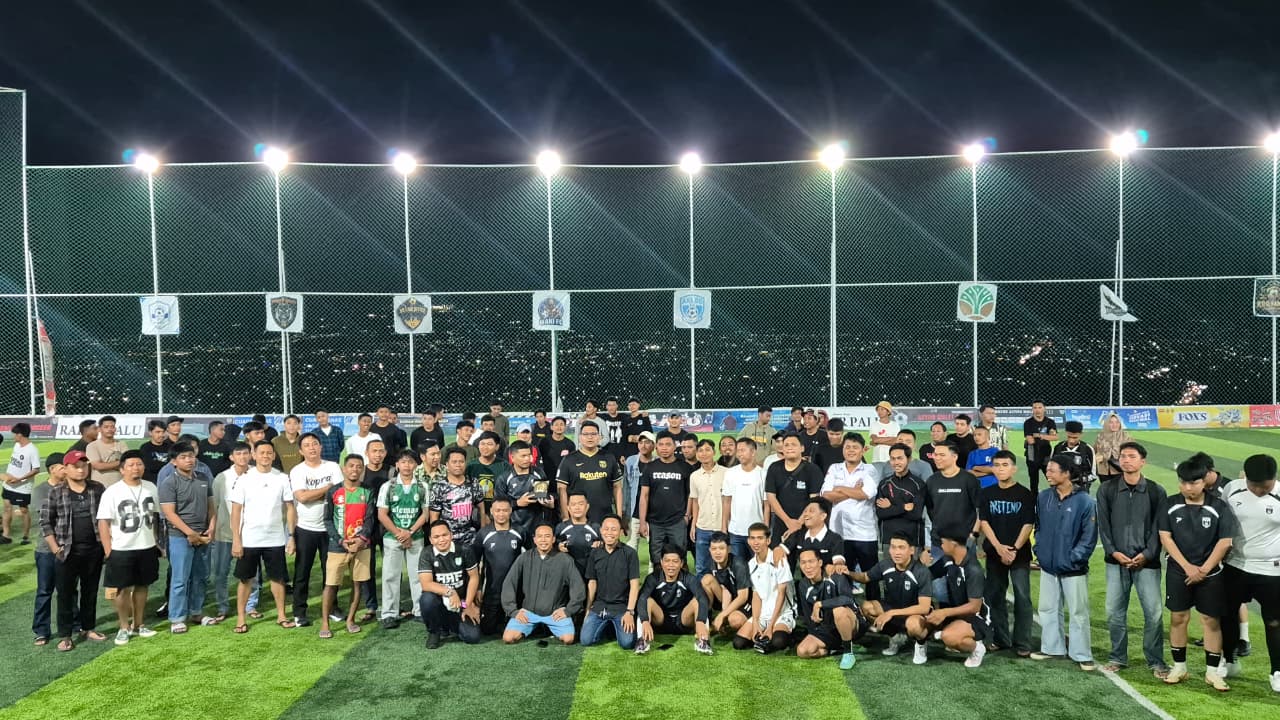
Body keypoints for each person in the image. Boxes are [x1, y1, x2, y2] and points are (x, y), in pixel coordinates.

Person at [1157, 458, 1236, 690]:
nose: (1188, 488)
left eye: (1193, 483)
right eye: (1183, 482)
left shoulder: (1219, 506)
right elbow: (1165, 537)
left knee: (1211, 620)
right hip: (1178, 571)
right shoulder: (1170, 504)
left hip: (1210, 574)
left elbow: (1225, 542)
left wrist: (1203, 570)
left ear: (1204, 482)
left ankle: (1212, 672)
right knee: (1178, 618)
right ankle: (1179, 667)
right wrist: (1188, 567)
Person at [1097, 441, 1168, 676]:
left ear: (1142, 461)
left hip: (1147, 563)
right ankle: (1118, 657)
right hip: (1115, 562)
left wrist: (1146, 554)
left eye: (1131, 456)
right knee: (1114, 613)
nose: (1126, 460)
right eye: (1123, 456)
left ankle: (1155, 660)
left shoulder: (1156, 491)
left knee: (1154, 613)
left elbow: (1160, 528)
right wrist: (1114, 552)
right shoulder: (1107, 489)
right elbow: (1104, 526)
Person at [1217, 454, 1280, 690]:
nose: (1259, 490)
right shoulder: (1232, 489)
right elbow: (1221, 523)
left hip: (1272, 570)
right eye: (1254, 486)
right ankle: (1229, 660)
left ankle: (1277, 671)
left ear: (1274, 478)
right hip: (1236, 566)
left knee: (1274, 621)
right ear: (1246, 478)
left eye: (1265, 486)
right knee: (1228, 615)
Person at [1031, 455, 1097, 671]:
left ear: (1067, 473)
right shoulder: (1043, 497)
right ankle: (1052, 648)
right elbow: (1038, 527)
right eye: (1047, 470)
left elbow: (1089, 536)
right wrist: (1039, 550)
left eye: (1052, 470)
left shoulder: (1085, 501)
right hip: (1048, 564)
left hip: (1073, 567)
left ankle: (1081, 654)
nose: (1047, 473)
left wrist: (1075, 558)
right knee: (1048, 608)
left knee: (1078, 612)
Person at [41, 450, 107, 650]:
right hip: (67, 551)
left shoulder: (97, 488)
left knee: (90, 591)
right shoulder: (56, 492)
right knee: (65, 594)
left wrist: (105, 546)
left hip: (94, 549)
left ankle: (88, 628)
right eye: (76, 467)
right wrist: (55, 548)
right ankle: (65, 635)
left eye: (84, 466)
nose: (80, 470)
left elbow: (107, 517)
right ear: (66, 468)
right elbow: (46, 522)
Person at [230, 442, 297, 633]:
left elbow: (290, 508)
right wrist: (237, 539)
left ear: (274, 456)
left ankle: (281, 616)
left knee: (278, 578)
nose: (265, 456)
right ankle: (241, 618)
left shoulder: (282, 478)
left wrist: (291, 536)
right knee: (246, 579)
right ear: (254, 455)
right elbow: (236, 511)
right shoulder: (244, 479)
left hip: (275, 538)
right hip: (249, 539)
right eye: (262, 453)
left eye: (269, 453)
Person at [97, 450, 162, 645]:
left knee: (142, 586)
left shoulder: (151, 487)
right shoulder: (112, 491)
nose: (136, 468)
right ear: (122, 469)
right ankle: (124, 626)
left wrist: (156, 541)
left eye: (139, 464)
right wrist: (108, 550)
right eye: (131, 465)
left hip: (146, 546)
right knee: (122, 589)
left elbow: (155, 516)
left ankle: (139, 624)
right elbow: (103, 522)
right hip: (122, 548)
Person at [978, 451, 1036, 656]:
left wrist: (1013, 549)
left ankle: (1023, 642)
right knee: (995, 596)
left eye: (1005, 465)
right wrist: (999, 547)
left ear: (1014, 468)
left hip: (1019, 555)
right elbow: (984, 522)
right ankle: (1001, 638)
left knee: (1022, 597)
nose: (1000, 469)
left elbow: (1028, 524)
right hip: (995, 554)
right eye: (997, 465)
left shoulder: (1024, 494)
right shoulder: (986, 493)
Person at [158, 442, 216, 632]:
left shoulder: (203, 478)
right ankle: (177, 617)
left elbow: (211, 506)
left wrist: (211, 527)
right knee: (180, 579)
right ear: (174, 461)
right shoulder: (169, 483)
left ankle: (196, 612)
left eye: (191, 456)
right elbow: (169, 513)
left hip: (203, 535)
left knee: (201, 577)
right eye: (183, 457)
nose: (189, 460)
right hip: (180, 537)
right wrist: (190, 533)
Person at [851, 533, 933, 663]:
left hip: (915, 614)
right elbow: (865, 577)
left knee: (914, 625)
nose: (896, 552)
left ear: (912, 550)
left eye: (901, 547)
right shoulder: (886, 565)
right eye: (893, 547)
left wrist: (891, 613)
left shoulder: (921, 571)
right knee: (866, 607)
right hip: (893, 608)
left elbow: (924, 608)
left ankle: (921, 644)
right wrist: (847, 573)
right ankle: (896, 637)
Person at [287, 433, 342, 627]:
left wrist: (315, 494)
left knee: (332, 572)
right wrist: (326, 489)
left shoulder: (333, 467)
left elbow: (338, 494)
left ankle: (332, 608)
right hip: (306, 528)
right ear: (301, 451)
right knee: (302, 573)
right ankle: (299, 612)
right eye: (307, 445)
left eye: (315, 444)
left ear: (321, 447)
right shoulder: (297, 471)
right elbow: (302, 498)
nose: (312, 448)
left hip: (330, 528)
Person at [501, 523, 586, 645]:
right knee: (508, 638)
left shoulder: (565, 560)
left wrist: (568, 611)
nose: (543, 540)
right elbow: (509, 583)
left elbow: (578, 587)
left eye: (547, 536)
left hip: (555, 613)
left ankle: (547, 627)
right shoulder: (525, 557)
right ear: (534, 539)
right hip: (529, 612)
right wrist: (513, 611)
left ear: (553, 539)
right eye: (540, 536)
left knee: (568, 639)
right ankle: (534, 628)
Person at [319, 454, 374, 639]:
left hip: (361, 546)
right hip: (338, 546)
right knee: (331, 584)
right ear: (344, 468)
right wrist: (340, 540)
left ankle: (350, 620)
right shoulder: (334, 491)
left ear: (362, 469)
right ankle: (325, 622)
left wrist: (361, 539)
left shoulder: (368, 491)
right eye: (351, 466)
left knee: (357, 583)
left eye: (358, 466)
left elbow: (370, 518)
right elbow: (327, 519)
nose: (355, 469)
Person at [918, 533, 992, 668]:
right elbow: (927, 576)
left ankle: (977, 648)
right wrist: (921, 564)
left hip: (977, 618)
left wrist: (944, 612)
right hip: (955, 614)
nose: (940, 545)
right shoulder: (947, 560)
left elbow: (974, 607)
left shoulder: (973, 570)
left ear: (953, 544)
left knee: (949, 637)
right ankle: (932, 637)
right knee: (920, 623)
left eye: (943, 542)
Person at [379, 449, 431, 629]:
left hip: (415, 537)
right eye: (403, 462)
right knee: (390, 576)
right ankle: (389, 613)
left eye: (410, 462)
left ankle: (419, 610)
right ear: (397, 465)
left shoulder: (422, 486)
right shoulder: (388, 486)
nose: (407, 466)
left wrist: (409, 532)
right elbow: (382, 514)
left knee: (417, 575)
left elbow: (425, 514)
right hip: (392, 538)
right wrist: (399, 534)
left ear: (416, 465)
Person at [635, 545, 714, 655]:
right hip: (661, 620)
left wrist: (700, 620)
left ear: (681, 563)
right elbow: (642, 598)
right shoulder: (653, 578)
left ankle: (703, 641)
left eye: (675, 561)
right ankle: (641, 640)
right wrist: (645, 620)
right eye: (667, 561)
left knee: (697, 601)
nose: (671, 565)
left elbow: (702, 598)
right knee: (647, 600)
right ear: (661, 562)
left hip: (683, 620)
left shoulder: (689, 578)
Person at [923, 443, 981, 585]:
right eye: (935, 455)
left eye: (942, 455)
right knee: (939, 586)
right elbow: (930, 509)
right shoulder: (932, 480)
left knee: (966, 582)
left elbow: (980, 510)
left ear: (954, 457)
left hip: (964, 542)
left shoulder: (969, 479)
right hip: (939, 542)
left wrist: (973, 535)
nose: (937, 458)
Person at [211, 441, 256, 624]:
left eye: (245, 453)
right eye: (238, 454)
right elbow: (214, 506)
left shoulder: (256, 474)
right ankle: (223, 607)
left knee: (251, 573)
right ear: (231, 457)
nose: (242, 457)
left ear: (250, 455)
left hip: (250, 533)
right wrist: (213, 529)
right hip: (224, 533)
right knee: (221, 573)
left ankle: (250, 606)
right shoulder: (222, 478)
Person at [821, 433, 878, 576]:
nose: (851, 450)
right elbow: (826, 495)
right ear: (842, 449)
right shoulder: (834, 468)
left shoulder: (869, 469)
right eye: (847, 447)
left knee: (871, 578)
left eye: (855, 447)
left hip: (865, 534)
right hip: (839, 534)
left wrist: (839, 488)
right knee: (841, 578)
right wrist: (854, 490)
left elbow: (865, 494)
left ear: (863, 450)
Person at [794, 547, 862, 668]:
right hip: (827, 628)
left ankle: (848, 653)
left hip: (851, 622)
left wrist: (820, 604)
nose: (807, 566)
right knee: (802, 651)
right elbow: (809, 616)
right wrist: (813, 634)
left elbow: (848, 599)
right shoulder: (803, 584)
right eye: (803, 563)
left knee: (838, 611)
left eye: (811, 561)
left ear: (820, 562)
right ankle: (834, 649)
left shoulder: (835, 576)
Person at [733, 523, 796, 654]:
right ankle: (764, 636)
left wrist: (771, 626)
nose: (756, 542)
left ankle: (789, 635)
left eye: (760, 538)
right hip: (763, 614)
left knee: (778, 641)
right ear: (748, 541)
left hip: (782, 613)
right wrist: (756, 623)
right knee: (738, 643)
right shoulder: (751, 564)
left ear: (768, 540)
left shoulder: (779, 559)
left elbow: (781, 594)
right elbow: (756, 595)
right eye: (752, 538)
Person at [418, 520, 482, 648]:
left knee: (473, 637)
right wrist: (450, 592)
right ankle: (434, 632)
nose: (441, 540)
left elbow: (474, 577)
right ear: (431, 540)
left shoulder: (465, 549)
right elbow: (426, 584)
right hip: (439, 601)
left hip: (461, 602)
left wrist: (467, 604)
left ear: (451, 535)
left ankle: (450, 625)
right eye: (436, 537)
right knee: (426, 599)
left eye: (444, 535)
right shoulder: (426, 553)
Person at [581, 514, 641, 649]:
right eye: (606, 529)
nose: (609, 533)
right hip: (599, 607)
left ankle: (615, 626)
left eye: (614, 529)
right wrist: (587, 610)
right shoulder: (595, 553)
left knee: (627, 643)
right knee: (585, 640)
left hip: (621, 608)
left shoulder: (630, 553)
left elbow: (634, 584)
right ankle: (609, 627)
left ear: (621, 532)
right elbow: (592, 583)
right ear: (601, 531)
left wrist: (630, 611)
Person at [639, 431, 694, 568]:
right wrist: (642, 522)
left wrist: (687, 515)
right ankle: (659, 581)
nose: (664, 448)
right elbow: (644, 495)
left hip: (677, 521)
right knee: (657, 560)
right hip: (655, 522)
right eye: (661, 444)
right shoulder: (650, 468)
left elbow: (691, 495)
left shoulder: (685, 467)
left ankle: (682, 582)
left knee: (680, 558)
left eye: (668, 444)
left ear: (675, 446)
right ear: (656, 447)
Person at [473, 497, 526, 635]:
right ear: (491, 511)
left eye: (504, 510)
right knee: (487, 630)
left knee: (514, 628)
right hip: (492, 589)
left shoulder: (520, 532)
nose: (501, 514)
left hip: (515, 590)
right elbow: (474, 565)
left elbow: (533, 557)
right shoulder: (483, 534)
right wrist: (478, 589)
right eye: (497, 510)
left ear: (510, 511)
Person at [556, 423, 622, 525]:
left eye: (593, 434)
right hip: (577, 520)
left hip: (605, 518)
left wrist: (619, 516)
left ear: (599, 437)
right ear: (580, 437)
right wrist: (565, 517)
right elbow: (561, 489)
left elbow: (617, 487)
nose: (590, 437)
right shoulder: (569, 460)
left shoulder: (609, 457)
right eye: (586, 434)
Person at [31, 453, 66, 646]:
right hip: (46, 549)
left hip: (69, 547)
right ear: (52, 469)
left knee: (69, 590)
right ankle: (41, 630)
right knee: (45, 591)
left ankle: (73, 624)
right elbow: (46, 519)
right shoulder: (40, 490)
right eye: (62, 467)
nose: (66, 470)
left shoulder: (70, 487)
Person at [494, 440, 556, 542]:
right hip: (513, 527)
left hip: (536, 526)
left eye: (529, 455)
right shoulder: (504, 478)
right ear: (512, 457)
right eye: (523, 456)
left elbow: (542, 496)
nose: (527, 459)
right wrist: (517, 503)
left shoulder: (539, 473)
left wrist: (549, 505)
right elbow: (498, 505)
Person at [765, 434, 822, 543]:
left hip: (805, 525)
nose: (790, 448)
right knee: (778, 553)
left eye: (793, 444)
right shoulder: (774, 468)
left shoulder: (813, 470)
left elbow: (814, 500)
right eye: (786, 445)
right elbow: (771, 496)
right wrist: (787, 521)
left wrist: (798, 523)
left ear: (802, 448)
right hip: (780, 523)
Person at [721, 437, 768, 561]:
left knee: (758, 565)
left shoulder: (763, 474)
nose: (739, 454)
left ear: (753, 452)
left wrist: (766, 528)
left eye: (743, 450)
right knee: (738, 566)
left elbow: (766, 504)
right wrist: (724, 527)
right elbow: (726, 501)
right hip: (735, 531)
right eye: (738, 451)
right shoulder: (730, 473)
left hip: (757, 531)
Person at [875, 443, 927, 554]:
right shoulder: (884, 484)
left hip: (912, 540)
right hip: (889, 540)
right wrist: (904, 507)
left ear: (909, 459)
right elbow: (880, 513)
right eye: (892, 459)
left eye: (900, 458)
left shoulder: (919, 484)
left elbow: (916, 514)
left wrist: (890, 507)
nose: (896, 462)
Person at [701, 532, 752, 638]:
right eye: (714, 549)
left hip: (744, 602)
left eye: (721, 548)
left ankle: (726, 624)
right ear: (709, 550)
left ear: (729, 549)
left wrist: (722, 615)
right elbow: (724, 590)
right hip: (726, 598)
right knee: (706, 579)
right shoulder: (711, 563)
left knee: (735, 620)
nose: (717, 552)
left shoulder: (739, 564)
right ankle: (707, 621)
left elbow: (743, 597)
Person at [775, 497, 845, 571]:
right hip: (805, 577)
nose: (806, 514)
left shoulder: (835, 539)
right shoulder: (798, 534)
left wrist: (837, 566)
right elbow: (782, 548)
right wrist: (778, 550)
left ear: (823, 516)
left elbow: (838, 561)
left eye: (811, 511)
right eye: (805, 511)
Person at [690, 439, 727, 576]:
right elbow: (695, 502)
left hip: (721, 526)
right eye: (700, 451)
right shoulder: (694, 476)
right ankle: (702, 590)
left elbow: (729, 500)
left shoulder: (726, 473)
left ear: (714, 452)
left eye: (707, 450)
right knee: (701, 567)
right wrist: (693, 525)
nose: (704, 453)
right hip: (703, 527)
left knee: (723, 566)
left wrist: (725, 525)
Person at [3, 422, 40, 544]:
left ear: (20, 435)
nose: (13, 436)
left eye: (14, 434)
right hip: (8, 484)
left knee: (23, 510)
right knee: (7, 507)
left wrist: (19, 479)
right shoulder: (16, 446)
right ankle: (6, 535)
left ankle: (26, 537)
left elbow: (36, 469)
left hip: (22, 487)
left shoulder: (32, 450)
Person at [556, 493, 602, 579]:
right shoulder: (561, 528)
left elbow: (608, 547)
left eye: (581, 504)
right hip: (567, 575)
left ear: (587, 506)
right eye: (573, 504)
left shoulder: (596, 528)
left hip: (591, 574)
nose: (577, 507)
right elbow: (551, 547)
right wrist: (557, 547)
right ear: (568, 508)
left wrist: (601, 544)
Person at [622, 431, 656, 547]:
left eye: (647, 442)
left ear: (653, 445)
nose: (643, 445)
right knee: (631, 545)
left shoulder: (658, 462)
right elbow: (626, 488)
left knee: (654, 546)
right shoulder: (630, 461)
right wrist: (624, 512)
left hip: (653, 513)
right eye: (640, 442)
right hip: (634, 511)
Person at [1023, 401, 1058, 494]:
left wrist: (1039, 435)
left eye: (1039, 407)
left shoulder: (1050, 422)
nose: (1037, 410)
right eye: (1035, 408)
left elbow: (1055, 437)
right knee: (1033, 482)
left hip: (1046, 455)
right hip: (1032, 455)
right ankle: (1034, 500)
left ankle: (1056, 497)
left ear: (1044, 409)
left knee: (1051, 478)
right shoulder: (1028, 423)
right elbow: (1030, 440)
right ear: (1032, 409)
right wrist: (1047, 436)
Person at [1092, 413, 1132, 487]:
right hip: (1103, 471)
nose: (1114, 425)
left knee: (1119, 490)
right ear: (1107, 423)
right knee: (1105, 490)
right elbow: (1094, 451)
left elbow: (1131, 453)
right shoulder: (1100, 436)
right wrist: (1097, 457)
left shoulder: (1126, 437)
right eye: (1111, 422)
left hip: (1119, 470)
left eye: (1117, 422)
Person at [87, 415, 129, 487]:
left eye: (112, 427)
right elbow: (98, 466)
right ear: (99, 429)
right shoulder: (92, 446)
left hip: (120, 485)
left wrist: (106, 465)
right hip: (99, 487)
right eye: (106, 427)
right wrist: (120, 462)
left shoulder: (122, 444)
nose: (110, 429)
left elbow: (128, 463)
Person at [1052, 421, 1095, 488]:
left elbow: (1093, 475)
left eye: (1075, 437)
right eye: (1069, 437)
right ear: (1066, 432)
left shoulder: (1088, 449)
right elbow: (1051, 469)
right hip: (1060, 488)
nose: (1071, 441)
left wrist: (1077, 480)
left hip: (1080, 488)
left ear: (1081, 434)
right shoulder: (1058, 448)